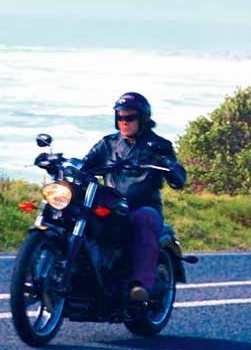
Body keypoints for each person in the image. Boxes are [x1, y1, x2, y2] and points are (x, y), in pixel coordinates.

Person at [81, 92, 188, 302]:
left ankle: (140, 285)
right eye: (120, 117)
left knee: (145, 218)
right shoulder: (108, 144)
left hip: (141, 207)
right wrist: (61, 164)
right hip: (111, 205)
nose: (124, 122)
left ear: (144, 119)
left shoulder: (159, 145)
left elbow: (179, 179)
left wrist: (168, 165)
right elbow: (85, 164)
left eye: (129, 118)